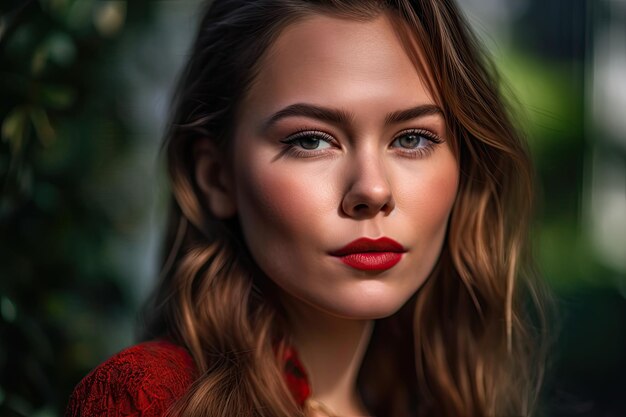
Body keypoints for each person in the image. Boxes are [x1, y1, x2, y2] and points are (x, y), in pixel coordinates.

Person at [66, 0, 550, 416]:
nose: (373, 190)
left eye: (412, 138)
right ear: (216, 176)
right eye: (312, 140)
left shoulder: (438, 404)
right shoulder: (154, 399)